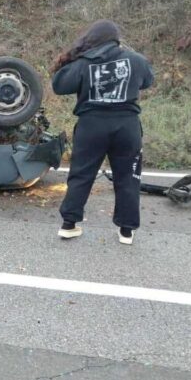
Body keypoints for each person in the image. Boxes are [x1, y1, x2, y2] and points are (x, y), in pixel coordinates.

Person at [51, 19, 154, 245]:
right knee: (128, 177)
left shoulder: (83, 62)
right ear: (116, 39)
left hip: (91, 126)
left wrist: (71, 59)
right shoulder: (136, 60)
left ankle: (69, 225)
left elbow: (59, 86)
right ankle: (126, 231)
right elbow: (147, 81)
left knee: (81, 174)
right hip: (126, 126)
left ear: (92, 38)